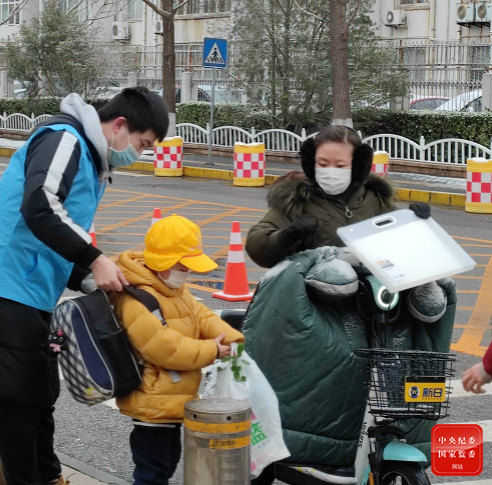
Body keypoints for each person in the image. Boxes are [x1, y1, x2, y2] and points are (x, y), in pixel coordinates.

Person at [0, 87, 169, 485]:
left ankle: (49, 478)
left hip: (25, 291)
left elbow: (53, 239)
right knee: (19, 408)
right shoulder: (65, 138)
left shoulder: (91, 158)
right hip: (0, 288)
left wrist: (91, 279)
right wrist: (95, 259)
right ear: (120, 125)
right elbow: (40, 206)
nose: (141, 153)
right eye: (143, 143)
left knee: (37, 398)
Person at [110, 214, 244, 485]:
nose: (187, 272)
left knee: (166, 464)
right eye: (183, 265)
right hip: (152, 403)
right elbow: (165, 349)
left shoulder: (172, 288)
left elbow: (202, 315)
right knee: (152, 473)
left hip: (170, 399)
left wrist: (232, 337)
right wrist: (212, 350)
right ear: (164, 262)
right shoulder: (137, 299)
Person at [245, 124, 401, 268]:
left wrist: (413, 219)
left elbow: (402, 237)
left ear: (357, 166)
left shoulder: (374, 199)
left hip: (368, 286)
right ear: (311, 163)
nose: (330, 171)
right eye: (323, 164)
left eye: (340, 165)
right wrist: (286, 237)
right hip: (311, 287)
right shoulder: (296, 200)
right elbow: (257, 246)